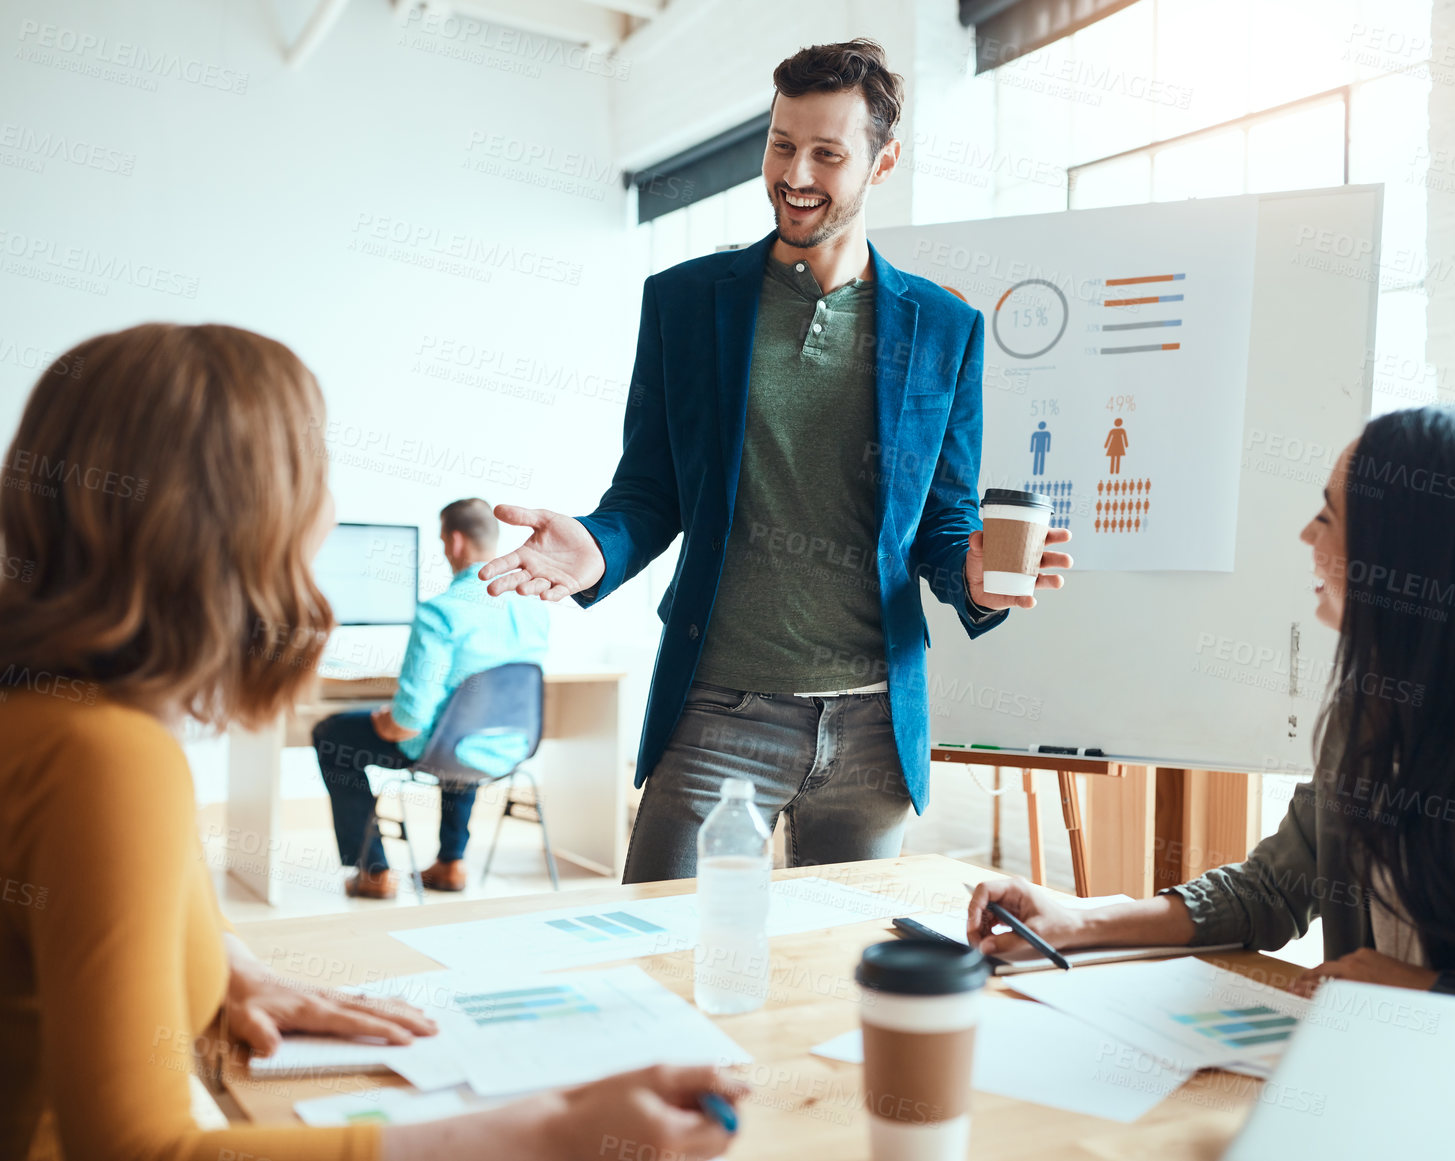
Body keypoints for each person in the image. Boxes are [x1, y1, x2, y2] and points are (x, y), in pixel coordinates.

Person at [0, 323, 745, 1160]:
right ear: (239, 516)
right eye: (311, 468)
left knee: (341, 736)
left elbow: (401, 723)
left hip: (432, 750)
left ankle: (375, 866)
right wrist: (545, 1133)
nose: (325, 508)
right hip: (501, 750)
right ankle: (426, 855)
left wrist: (228, 965)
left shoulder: (65, 724)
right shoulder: (107, 761)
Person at [481, 40, 1073, 883]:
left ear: (883, 163)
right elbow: (651, 489)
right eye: (782, 144)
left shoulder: (945, 329)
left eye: (828, 153)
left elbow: (942, 520)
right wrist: (599, 548)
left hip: (872, 722)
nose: (796, 172)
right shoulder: (685, 305)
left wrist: (971, 572)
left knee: (836, 978)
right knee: (661, 951)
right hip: (719, 703)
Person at [968, 405, 1455, 1030]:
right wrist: (1076, 918)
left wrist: (1435, 992)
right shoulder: (1373, 711)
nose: (1308, 537)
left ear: (1411, 563)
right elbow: (1271, 891)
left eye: (1328, 517)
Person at [314, 498, 550, 900]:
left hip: (446, 751)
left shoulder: (439, 613)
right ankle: (451, 863)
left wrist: (385, 720)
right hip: (508, 746)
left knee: (332, 734)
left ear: (455, 542)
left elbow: (406, 724)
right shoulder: (532, 611)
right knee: (462, 728)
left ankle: (373, 871)